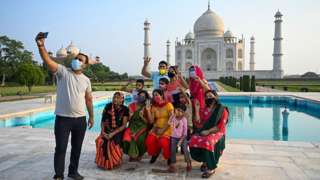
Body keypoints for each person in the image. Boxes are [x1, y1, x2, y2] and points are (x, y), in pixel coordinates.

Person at [35, 32, 94, 180]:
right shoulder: (63, 72)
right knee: (61, 148)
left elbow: (88, 99)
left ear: (85, 65)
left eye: (80, 60)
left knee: (76, 149)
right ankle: (59, 175)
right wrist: (41, 46)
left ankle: (73, 172)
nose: (77, 61)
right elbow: (48, 60)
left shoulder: (86, 80)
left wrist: (92, 116)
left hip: (80, 119)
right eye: (76, 58)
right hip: (63, 119)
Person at [189, 90, 229, 178]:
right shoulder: (204, 109)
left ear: (216, 97)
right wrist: (197, 109)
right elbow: (198, 122)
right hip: (204, 130)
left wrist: (208, 131)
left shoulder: (222, 109)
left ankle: (211, 168)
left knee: (208, 141)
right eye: (206, 97)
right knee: (193, 140)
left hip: (217, 132)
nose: (208, 98)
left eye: (210, 96)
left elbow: (220, 127)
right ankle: (205, 161)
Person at [95, 92, 129, 170]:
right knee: (100, 141)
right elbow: (102, 121)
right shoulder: (108, 106)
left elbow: (124, 125)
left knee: (113, 142)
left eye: (118, 97)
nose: (115, 99)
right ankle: (102, 162)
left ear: (122, 99)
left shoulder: (125, 109)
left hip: (118, 131)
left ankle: (114, 161)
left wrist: (113, 133)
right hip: (107, 130)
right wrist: (103, 132)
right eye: (114, 97)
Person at [145, 89, 174, 164]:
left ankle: (169, 157)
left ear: (161, 95)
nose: (155, 97)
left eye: (157, 95)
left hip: (167, 127)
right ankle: (155, 153)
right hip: (157, 127)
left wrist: (163, 130)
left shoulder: (168, 105)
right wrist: (148, 110)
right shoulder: (154, 107)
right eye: (154, 95)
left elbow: (172, 118)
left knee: (163, 141)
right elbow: (151, 121)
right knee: (150, 139)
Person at [123, 90, 151, 161]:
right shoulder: (131, 105)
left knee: (140, 139)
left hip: (142, 126)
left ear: (145, 98)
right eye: (140, 96)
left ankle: (139, 154)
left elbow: (148, 122)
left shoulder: (146, 107)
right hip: (132, 125)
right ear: (137, 96)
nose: (141, 97)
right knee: (126, 138)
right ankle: (131, 153)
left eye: (143, 97)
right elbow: (128, 120)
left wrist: (142, 116)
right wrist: (131, 116)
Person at [168, 104, 191, 173]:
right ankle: (173, 164)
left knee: (185, 149)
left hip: (182, 137)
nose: (178, 112)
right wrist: (172, 116)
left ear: (183, 113)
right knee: (172, 150)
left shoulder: (184, 119)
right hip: (173, 137)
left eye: (180, 111)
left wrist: (180, 141)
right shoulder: (173, 117)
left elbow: (185, 132)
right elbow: (169, 123)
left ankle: (188, 163)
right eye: (177, 110)